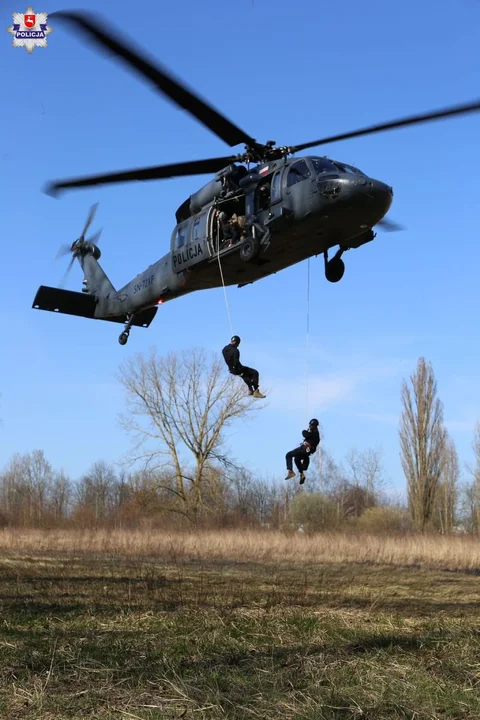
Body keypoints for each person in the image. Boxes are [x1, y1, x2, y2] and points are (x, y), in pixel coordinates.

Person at [285, 418, 320, 484]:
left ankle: (290, 471)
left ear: (312, 425)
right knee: (296, 458)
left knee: (288, 455)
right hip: (307, 453)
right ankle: (302, 474)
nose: (309, 426)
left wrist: (303, 431)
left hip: (304, 449)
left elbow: (305, 434)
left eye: (310, 425)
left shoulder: (313, 431)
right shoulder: (317, 435)